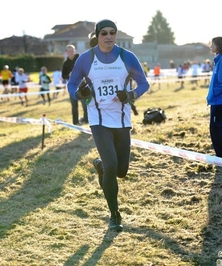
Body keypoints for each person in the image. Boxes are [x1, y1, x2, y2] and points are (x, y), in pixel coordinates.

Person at [67, 19, 150, 232]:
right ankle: (115, 214)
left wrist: (130, 95)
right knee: (112, 165)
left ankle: (101, 167)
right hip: (99, 120)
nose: (109, 36)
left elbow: (144, 84)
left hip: (122, 121)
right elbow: (72, 83)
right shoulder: (86, 59)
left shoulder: (127, 57)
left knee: (121, 171)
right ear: (97, 35)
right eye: (104, 33)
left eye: (113, 32)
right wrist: (78, 94)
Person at [62, 44, 88, 125]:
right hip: (72, 86)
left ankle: (86, 119)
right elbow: (63, 75)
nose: (70, 53)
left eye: (72, 51)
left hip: (82, 84)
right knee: (74, 105)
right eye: (69, 51)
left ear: (75, 51)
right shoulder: (65, 64)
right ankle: (75, 122)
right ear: (66, 52)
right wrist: (68, 75)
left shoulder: (80, 59)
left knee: (85, 104)